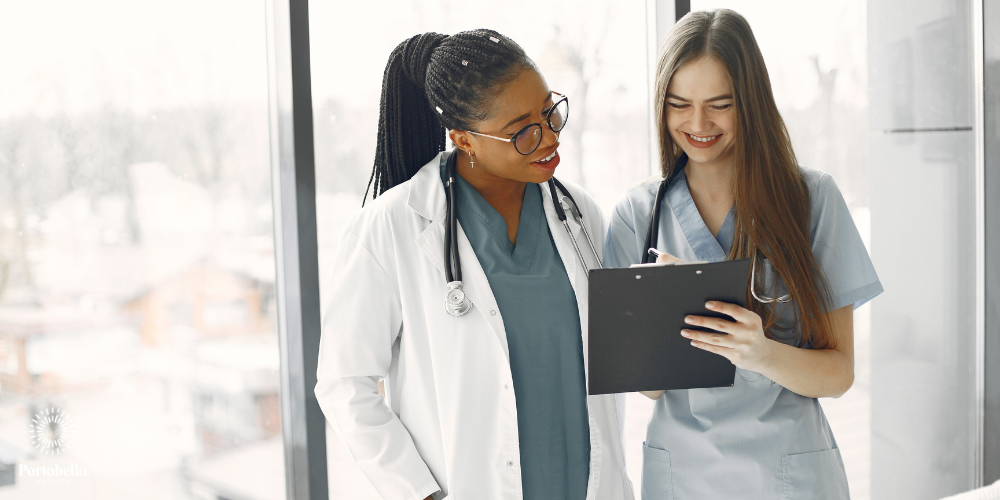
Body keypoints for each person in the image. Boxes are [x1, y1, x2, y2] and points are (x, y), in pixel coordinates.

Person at [315, 30, 633, 500]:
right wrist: (420, 493)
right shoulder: (394, 227)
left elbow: (613, 354)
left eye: (551, 111)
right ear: (464, 139)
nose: (548, 137)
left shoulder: (578, 212)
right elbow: (344, 383)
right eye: (523, 130)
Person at [603, 10, 882, 499]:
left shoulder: (811, 200)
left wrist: (760, 353)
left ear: (749, 102)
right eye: (678, 104)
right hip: (682, 476)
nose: (697, 124)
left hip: (788, 474)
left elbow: (838, 375)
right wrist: (668, 311)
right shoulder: (636, 213)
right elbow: (646, 390)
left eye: (720, 105)